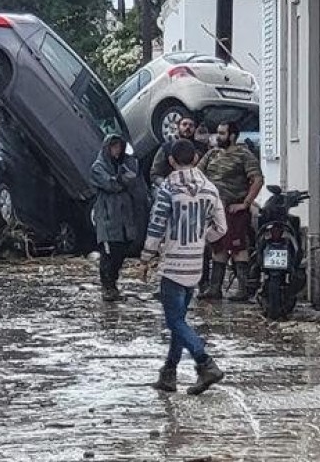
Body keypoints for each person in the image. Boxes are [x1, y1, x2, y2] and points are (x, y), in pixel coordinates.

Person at [140, 139, 226, 395]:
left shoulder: (168, 187)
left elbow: (156, 224)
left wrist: (146, 257)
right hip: (195, 264)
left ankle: (204, 362)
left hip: (172, 263)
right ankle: (169, 373)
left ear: (171, 161)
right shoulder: (210, 189)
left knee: (174, 321)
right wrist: (202, 237)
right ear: (197, 158)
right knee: (179, 320)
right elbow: (221, 228)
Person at [198, 120, 265, 301]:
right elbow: (197, 174)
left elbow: (257, 179)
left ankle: (243, 289)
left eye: (222, 133)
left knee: (237, 247)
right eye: (217, 133)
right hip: (214, 210)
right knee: (218, 248)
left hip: (234, 210)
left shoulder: (244, 155)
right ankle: (214, 288)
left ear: (233, 136)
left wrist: (245, 203)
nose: (218, 136)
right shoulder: (212, 154)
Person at [90, 133, 144, 302]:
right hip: (107, 217)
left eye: (119, 147)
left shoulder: (124, 164)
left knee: (121, 251)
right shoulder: (98, 167)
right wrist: (121, 180)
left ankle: (112, 282)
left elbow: (134, 180)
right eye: (114, 147)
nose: (117, 150)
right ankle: (107, 285)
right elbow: (110, 184)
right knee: (108, 252)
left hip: (124, 217)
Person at [149, 114, 210, 187]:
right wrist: (167, 186)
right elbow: (155, 173)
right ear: (178, 127)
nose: (187, 127)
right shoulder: (166, 147)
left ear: (195, 129)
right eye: (184, 124)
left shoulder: (201, 148)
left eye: (191, 125)